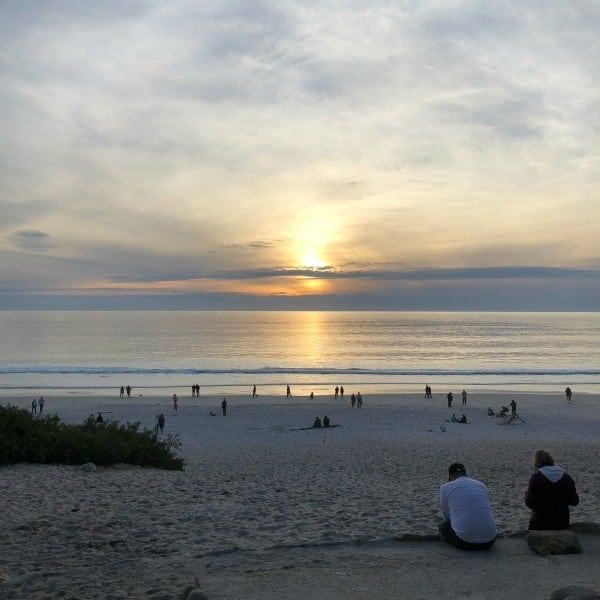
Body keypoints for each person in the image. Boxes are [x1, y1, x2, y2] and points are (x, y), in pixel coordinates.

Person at [439, 463, 497, 551]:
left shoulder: (445, 487)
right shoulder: (481, 485)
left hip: (465, 542)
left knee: (444, 525)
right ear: (465, 474)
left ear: (450, 476)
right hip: (490, 540)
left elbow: (447, 515)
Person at [525, 450, 579, 530]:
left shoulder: (536, 478)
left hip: (540, 523)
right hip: (561, 522)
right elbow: (574, 501)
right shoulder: (566, 477)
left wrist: (526, 494)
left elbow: (530, 503)